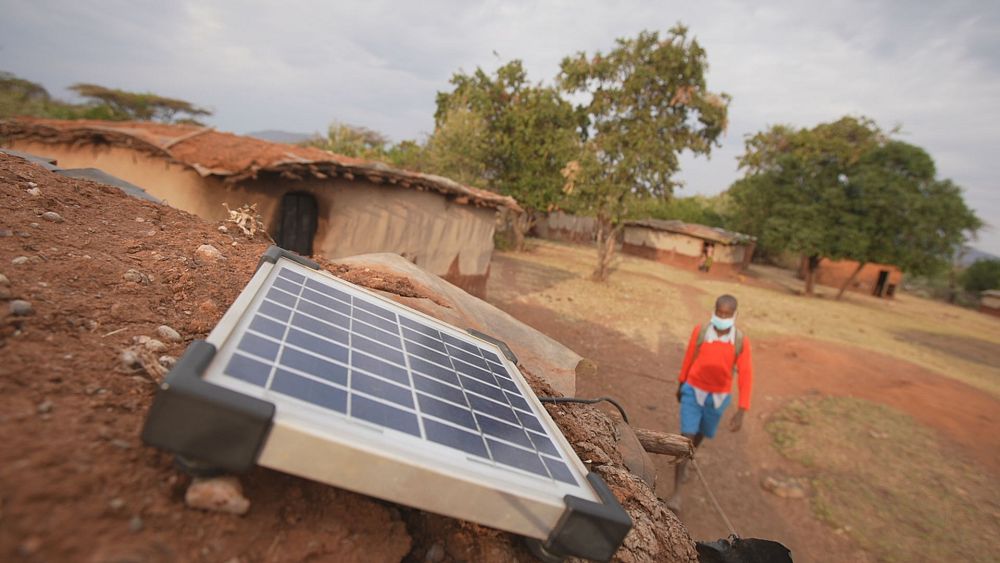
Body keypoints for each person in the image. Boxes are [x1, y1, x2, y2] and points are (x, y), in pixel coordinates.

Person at [667, 294, 753, 514]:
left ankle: (688, 457)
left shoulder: (740, 341)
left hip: (718, 399)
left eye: (727, 314)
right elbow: (689, 358)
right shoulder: (702, 331)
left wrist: (742, 409)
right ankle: (676, 493)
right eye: (719, 312)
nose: (722, 317)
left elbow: (746, 374)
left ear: (735, 315)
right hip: (693, 391)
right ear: (714, 310)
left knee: (699, 436)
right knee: (685, 437)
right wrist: (681, 384)